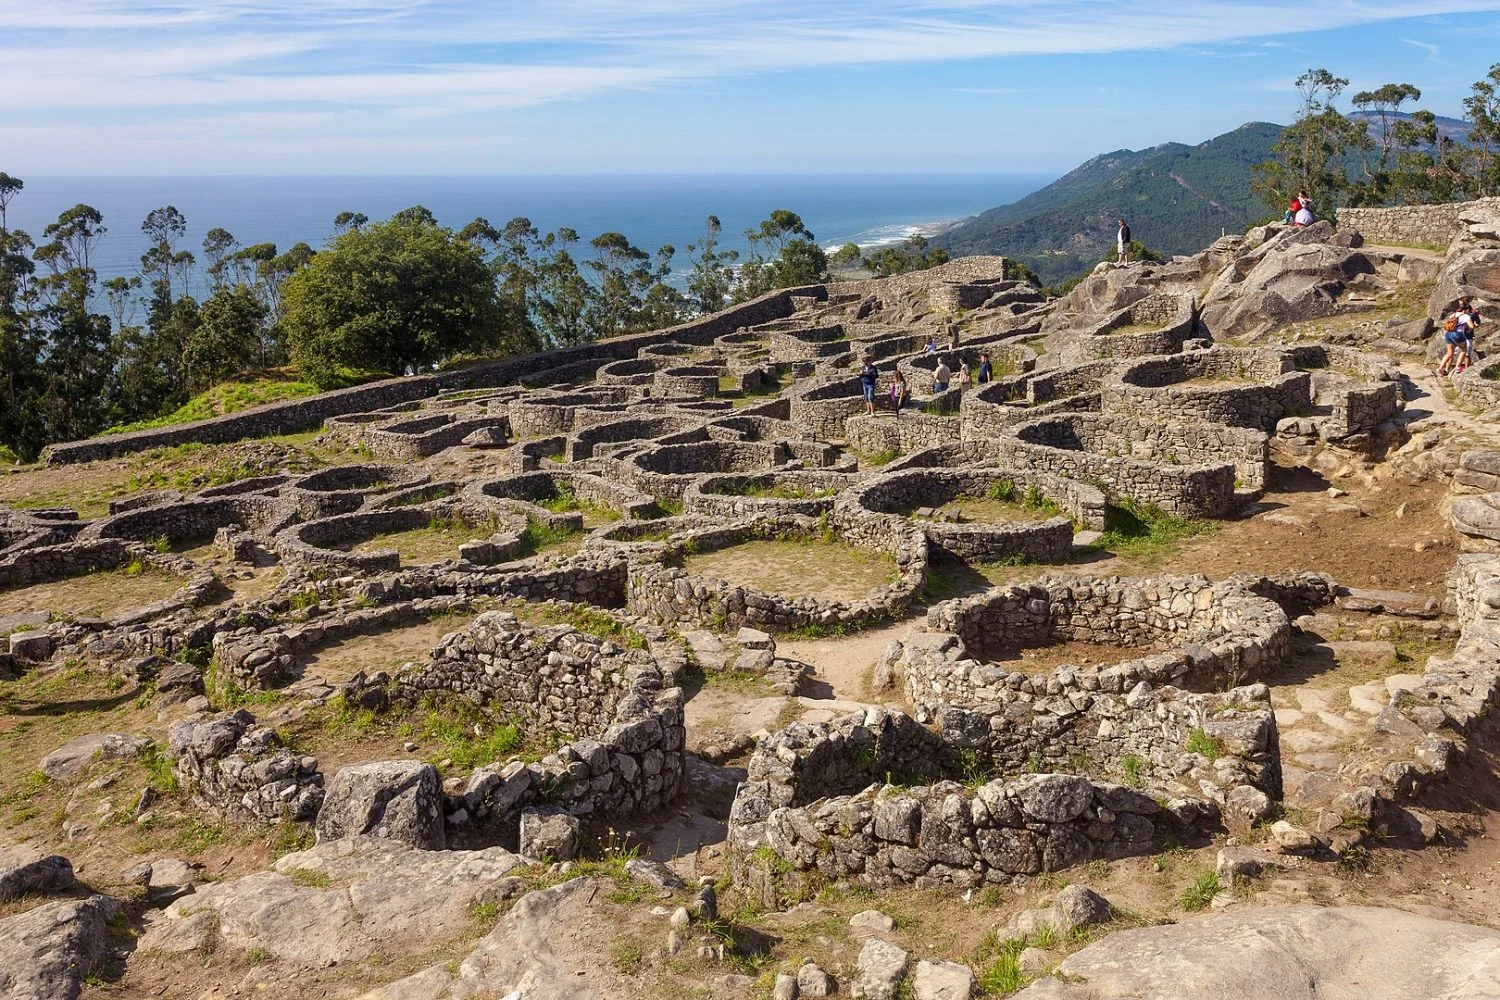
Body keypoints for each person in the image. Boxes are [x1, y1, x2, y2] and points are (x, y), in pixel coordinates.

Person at [1437, 304, 1470, 376]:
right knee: (1464, 349)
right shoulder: (1466, 316)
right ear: (1466, 310)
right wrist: (1472, 326)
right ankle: (1457, 367)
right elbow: (1471, 326)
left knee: (1449, 353)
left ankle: (1440, 368)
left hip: (1448, 334)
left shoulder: (1454, 314)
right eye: (1468, 310)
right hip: (1458, 335)